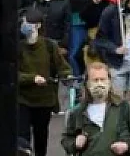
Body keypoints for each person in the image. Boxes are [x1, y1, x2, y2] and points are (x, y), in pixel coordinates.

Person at [60, 62, 130, 156]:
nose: (99, 84)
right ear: (87, 83)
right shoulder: (77, 112)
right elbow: (66, 139)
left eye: (103, 79)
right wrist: (75, 144)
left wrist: (127, 145)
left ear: (109, 81)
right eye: (95, 80)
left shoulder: (125, 107)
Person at [18, 9, 72, 156]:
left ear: (38, 25)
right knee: (22, 140)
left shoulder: (49, 46)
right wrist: (32, 78)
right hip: (23, 100)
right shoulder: (18, 47)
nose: (25, 26)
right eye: (23, 22)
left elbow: (62, 67)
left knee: (41, 138)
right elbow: (12, 75)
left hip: (45, 101)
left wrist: (67, 76)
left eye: (28, 23)